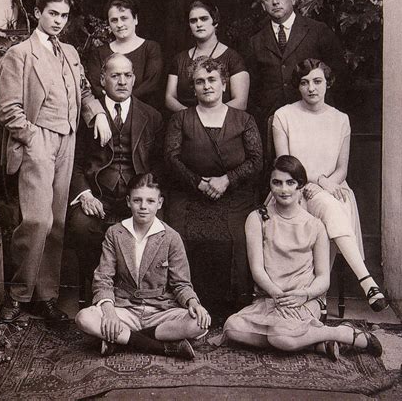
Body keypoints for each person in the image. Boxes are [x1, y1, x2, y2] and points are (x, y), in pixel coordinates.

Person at [0, 0, 104, 321]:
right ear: (38, 12)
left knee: (57, 220)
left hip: (67, 140)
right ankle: (18, 294)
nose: (58, 21)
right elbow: (8, 108)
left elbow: (84, 89)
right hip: (39, 139)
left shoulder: (70, 52)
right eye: (53, 13)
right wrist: (31, 136)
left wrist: (96, 113)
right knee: (37, 219)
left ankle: (46, 295)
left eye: (64, 15)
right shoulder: (20, 54)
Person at [223, 156, 383, 360]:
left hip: (306, 301)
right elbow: (257, 270)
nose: (284, 189)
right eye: (277, 182)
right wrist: (278, 296)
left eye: (291, 183)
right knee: (232, 328)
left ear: (301, 186)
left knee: (281, 337)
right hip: (270, 299)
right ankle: (320, 342)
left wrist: (303, 295)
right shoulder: (257, 218)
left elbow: (323, 279)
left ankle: (342, 333)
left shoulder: (316, 226)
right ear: (270, 185)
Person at [272, 58, 387, 312]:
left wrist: (324, 185)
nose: (311, 88)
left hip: (333, 188)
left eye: (317, 81)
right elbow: (285, 163)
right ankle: (366, 282)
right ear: (298, 86)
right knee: (331, 207)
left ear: (327, 83)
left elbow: (342, 169)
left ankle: (319, 297)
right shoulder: (284, 115)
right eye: (304, 83)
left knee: (330, 207)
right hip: (292, 189)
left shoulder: (340, 119)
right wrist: (315, 182)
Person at [164, 56, 262, 320]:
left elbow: (256, 161)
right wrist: (198, 182)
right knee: (180, 236)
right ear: (193, 88)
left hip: (233, 196)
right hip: (189, 194)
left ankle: (230, 311)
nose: (206, 86)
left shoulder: (244, 120)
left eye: (212, 80)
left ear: (224, 84)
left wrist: (227, 180)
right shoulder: (181, 119)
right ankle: (185, 306)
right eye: (199, 81)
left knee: (236, 239)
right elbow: (171, 159)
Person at [75, 173, 211, 360]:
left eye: (150, 201)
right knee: (84, 318)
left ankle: (122, 339)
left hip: (160, 310)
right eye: (137, 200)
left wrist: (194, 303)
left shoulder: (171, 237)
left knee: (199, 324)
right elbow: (103, 279)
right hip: (125, 308)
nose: (144, 207)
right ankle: (161, 347)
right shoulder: (115, 233)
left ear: (160, 203)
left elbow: (181, 284)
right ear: (129, 201)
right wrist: (109, 313)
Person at [67, 53, 164, 292]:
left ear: (134, 79)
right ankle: (94, 290)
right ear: (102, 80)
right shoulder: (86, 116)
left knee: (155, 227)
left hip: (135, 197)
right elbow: (75, 162)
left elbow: (159, 164)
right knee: (80, 226)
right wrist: (86, 195)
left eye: (127, 75)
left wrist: (145, 194)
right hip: (99, 196)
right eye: (115, 76)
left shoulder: (152, 116)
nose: (122, 81)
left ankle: (135, 291)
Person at [248, 0, 347, 138]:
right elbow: (253, 88)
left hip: (315, 119)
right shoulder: (255, 41)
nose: (275, 2)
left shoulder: (318, 31)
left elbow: (339, 74)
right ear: (263, 6)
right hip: (274, 123)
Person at [165, 0, 249, 112]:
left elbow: (240, 102)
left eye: (204, 19)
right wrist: (190, 116)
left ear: (215, 21)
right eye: (193, 21)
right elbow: (170, 98)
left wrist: (207, 116)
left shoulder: (233, 58)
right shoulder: (180, 59)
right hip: (186, 121)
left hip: (222, 122)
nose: (198, 24)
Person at [87, 0, 164, 109]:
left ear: (135, 19)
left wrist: (122, 103)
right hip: (108, 113)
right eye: (114, 20)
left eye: (124, 18)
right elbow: (96, 87)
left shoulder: (151, 48)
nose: (119, 24)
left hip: (143, 113)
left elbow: (150, 85)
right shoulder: (99, 53)